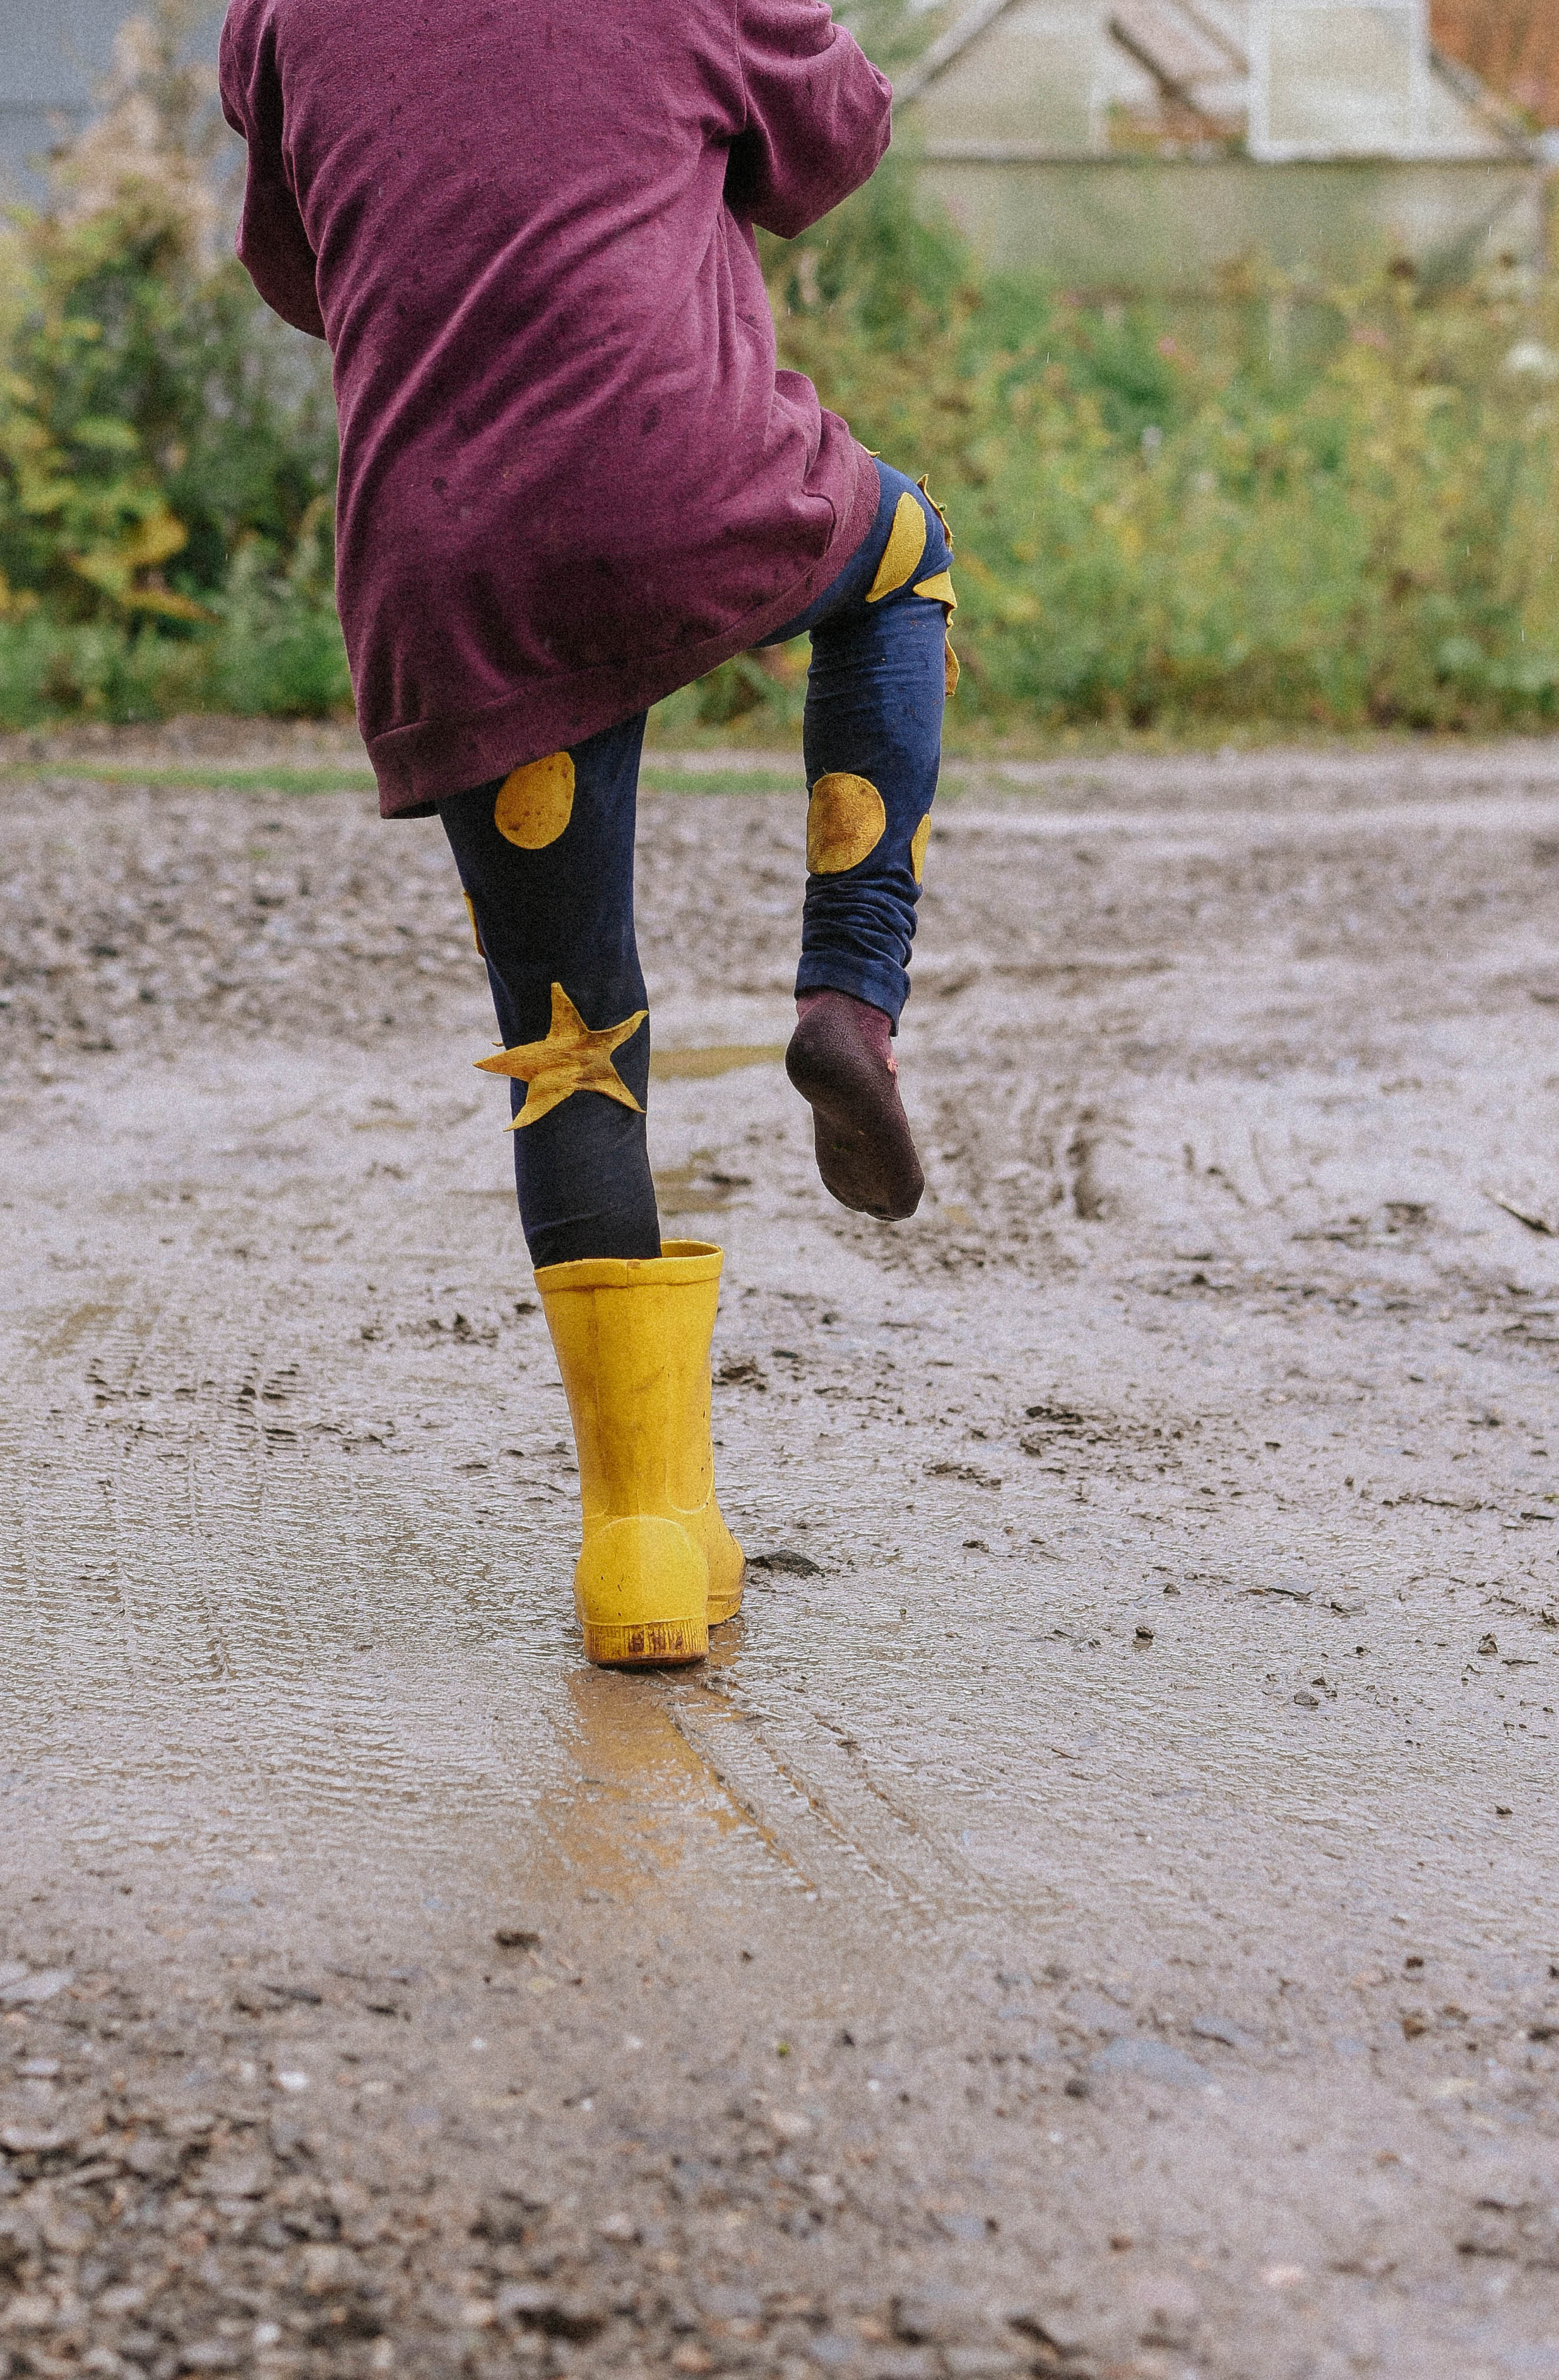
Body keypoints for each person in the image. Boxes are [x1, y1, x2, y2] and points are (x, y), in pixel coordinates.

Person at [218, 0, 957, 1667]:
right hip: (681, 481)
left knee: (573, 1041)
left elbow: (294, 265)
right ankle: (851, 991)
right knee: (905, 555)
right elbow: (838, 136)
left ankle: (641, 1543)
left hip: (449, 564)